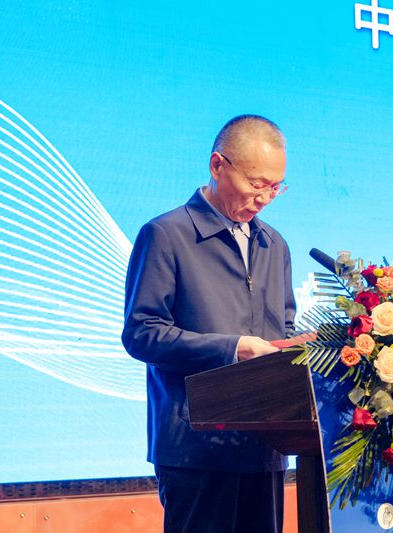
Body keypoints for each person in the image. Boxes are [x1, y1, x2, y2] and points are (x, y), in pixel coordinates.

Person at [121, 114, 295, 533]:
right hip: (196, 448)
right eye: (256, 184)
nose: (265, 198)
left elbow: (284, 329)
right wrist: (233, 348)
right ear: (218, 165)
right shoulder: (167, 234)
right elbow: (142, 333)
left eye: (276, 187)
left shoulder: (274, 245)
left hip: (264, 446)